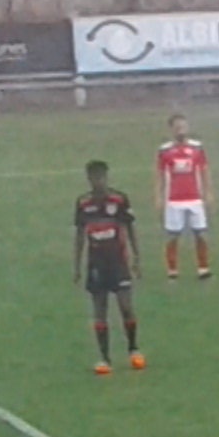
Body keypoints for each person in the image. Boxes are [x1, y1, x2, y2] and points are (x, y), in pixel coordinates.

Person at [73, 160, 144, 376]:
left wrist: (136, 258)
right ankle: (104, 358)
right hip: (96, 264)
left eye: (102, 177)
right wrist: (77, 265)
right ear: (89, 179)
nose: (99, 182)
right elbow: (79, 235)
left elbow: (130, 229)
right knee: (100, 310)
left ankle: (133, 350)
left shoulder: (119, 200)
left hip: (118, 262)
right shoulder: (83, 203)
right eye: (95, 178)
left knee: (125, 306)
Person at [154, 113, 212, 282]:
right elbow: (159, 174)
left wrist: (208, 192)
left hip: (194, 198)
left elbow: (204, 170)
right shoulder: (165, 151)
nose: (181, 130)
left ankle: (203, 268)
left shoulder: (197, 148)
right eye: (177, 127)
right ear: (171, 129)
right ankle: (172, 270)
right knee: (173, 235)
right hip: (174, 200)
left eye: (183, 126)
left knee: (200, 233)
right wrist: (158, 196)